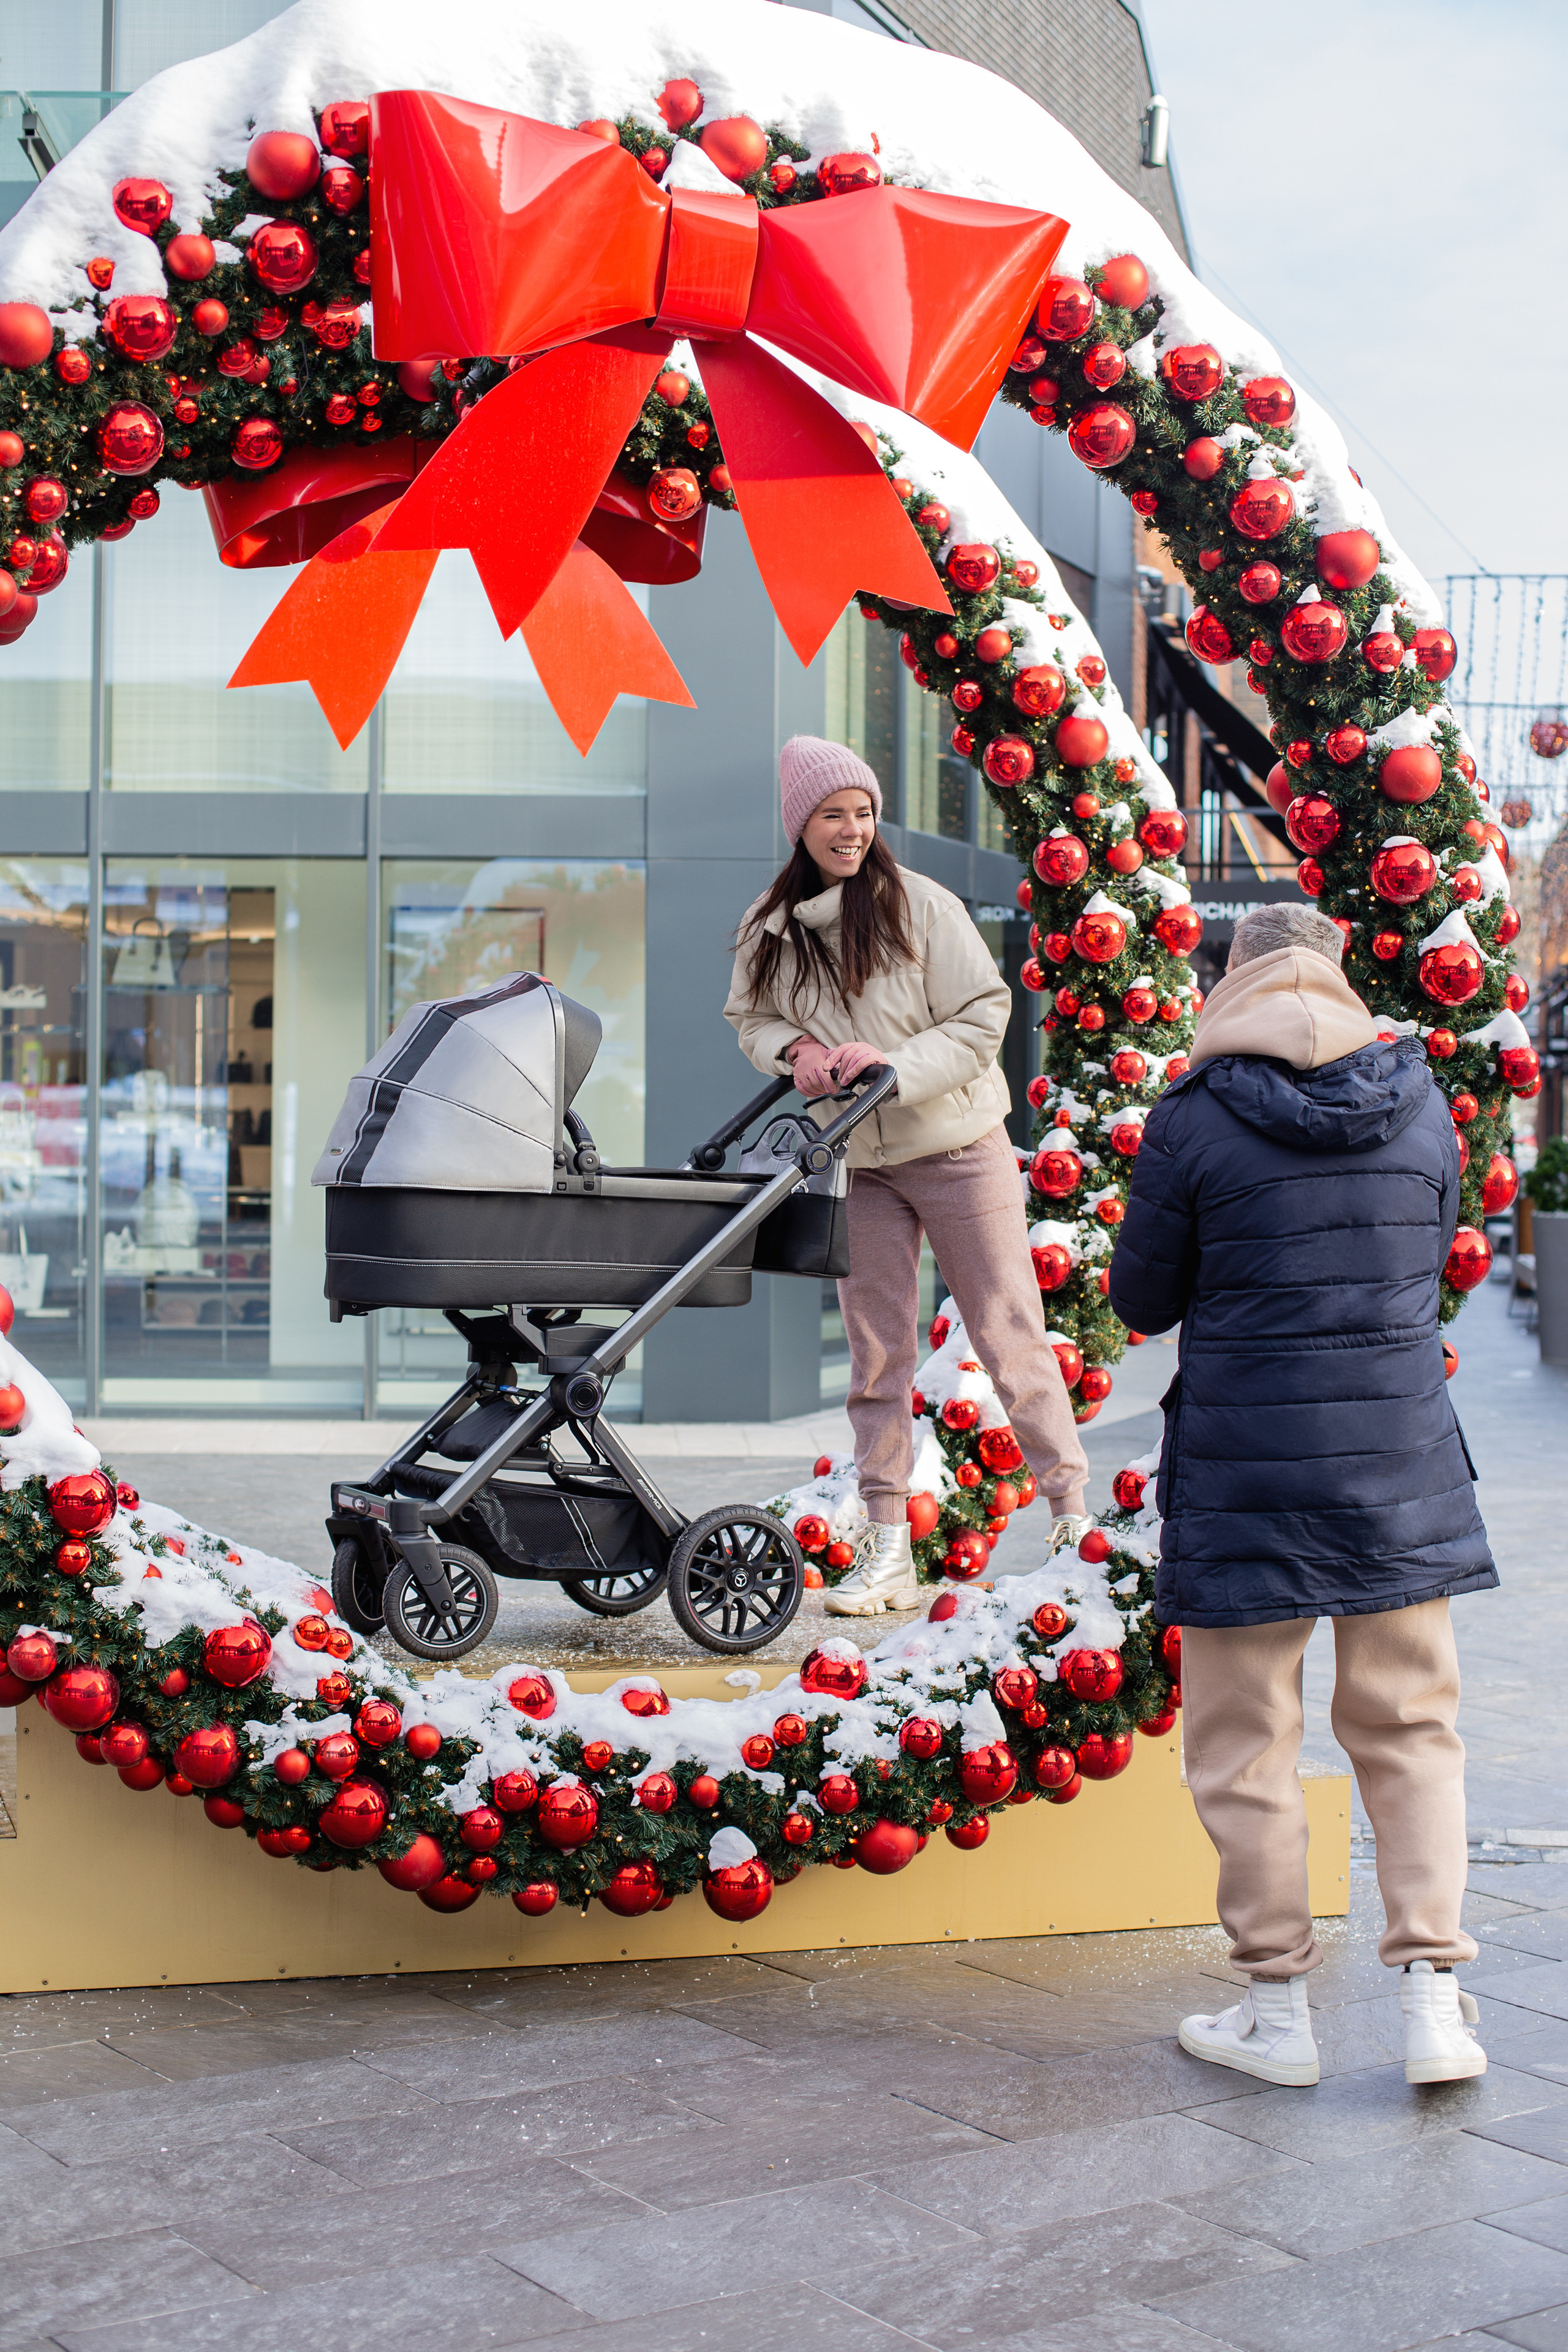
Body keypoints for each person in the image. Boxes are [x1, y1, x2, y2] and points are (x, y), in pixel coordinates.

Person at [1109, 902, 1495, 2089]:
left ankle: (1277, 2013)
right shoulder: (1421, 1102)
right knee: (1410, 1727)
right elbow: (1430, 1263)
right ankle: (1432, 2003)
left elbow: (1140, 1300)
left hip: (1247, 1469)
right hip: (1396, 1460)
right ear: (1338, 979)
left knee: (1243, 1744)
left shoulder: (1191, 1114)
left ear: (1230, 981)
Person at [725, 734, 1090, 1613]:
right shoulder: (771, 926)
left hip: (959, 1146)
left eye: (863, 813)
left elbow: (984, 1016)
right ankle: (888, 1549)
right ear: (801, 826)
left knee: (1009, 1333)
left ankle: (1075, 1521)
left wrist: (893, 1064)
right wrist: (797, 1051)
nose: (852, 829)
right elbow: (750, 1018)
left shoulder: (920, 904)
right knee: (877, 1355)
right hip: (859, 1159)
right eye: (833, 815)